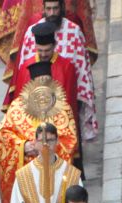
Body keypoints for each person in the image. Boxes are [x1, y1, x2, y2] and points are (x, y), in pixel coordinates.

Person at [0, 66, 78, 203]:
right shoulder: (17, 106)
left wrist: (48, 149)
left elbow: (70, 140)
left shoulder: (62, 107)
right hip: (27, 171)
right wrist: (24, 147)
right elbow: (4, 135)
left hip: (53, 171)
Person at [13, 0, 98, 141]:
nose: (52, 13)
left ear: (62, 7)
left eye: (55, 8)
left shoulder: (73, 31)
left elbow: (82, 70)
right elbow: (23, 76)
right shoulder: (30, 33)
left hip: (65, 106)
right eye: (49, 9)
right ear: (43, 8)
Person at [5, 23, 83, 145]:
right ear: (35, 46)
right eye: (40, 50)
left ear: (54, 46)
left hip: (59, 127)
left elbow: (70, 102)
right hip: (31, 128)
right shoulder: (25, 67)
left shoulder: (67, 67)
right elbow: (20, 103)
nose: (43, 54)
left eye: (47, 50)